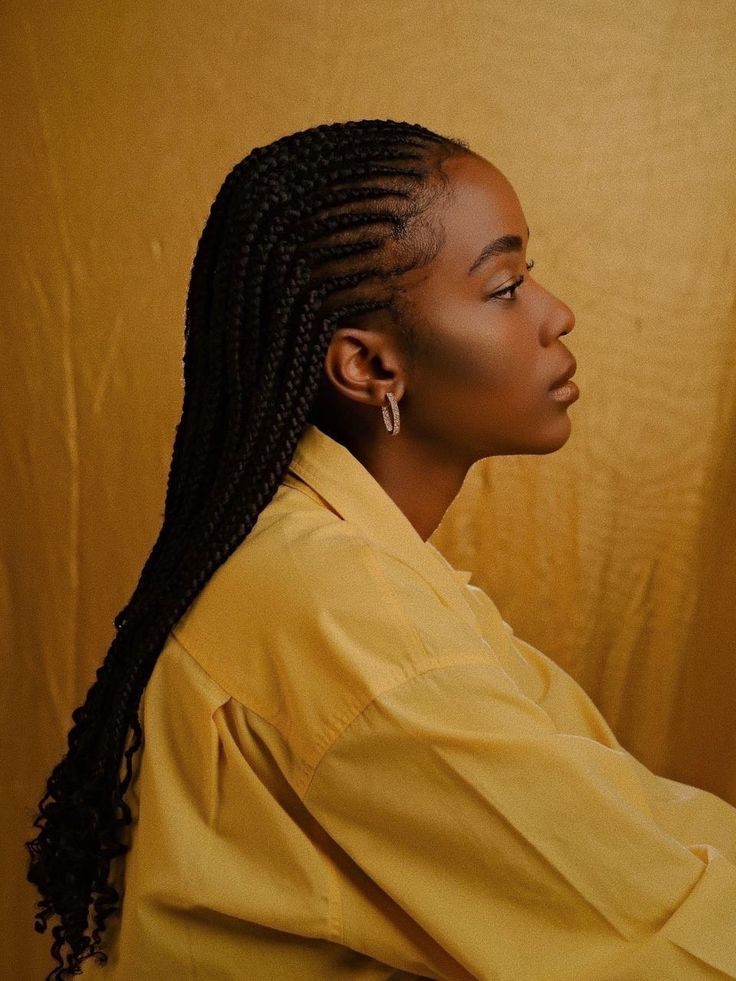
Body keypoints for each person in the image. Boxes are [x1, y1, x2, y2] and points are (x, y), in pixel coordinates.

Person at [27, 119, 736, 981]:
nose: (557, 314)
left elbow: (628, 824)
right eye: (506, 286)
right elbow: (639, 926)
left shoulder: (342, 562)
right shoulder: (346, 614)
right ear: (369, 368)